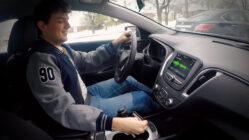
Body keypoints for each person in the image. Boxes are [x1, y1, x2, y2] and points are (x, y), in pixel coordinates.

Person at [26, 0, 160, 135]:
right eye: (61, 21)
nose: (68, 25)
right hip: (83, 108)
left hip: (86, 94)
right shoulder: (41, 61)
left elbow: (87, 61)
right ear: (43, 26)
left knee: (128, 80)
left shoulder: (60, 48)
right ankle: (165, 113)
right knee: (141, 98)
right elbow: (64, 110)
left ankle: (157, 99)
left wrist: (114, 44)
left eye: (67, 20)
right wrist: (116, 123)